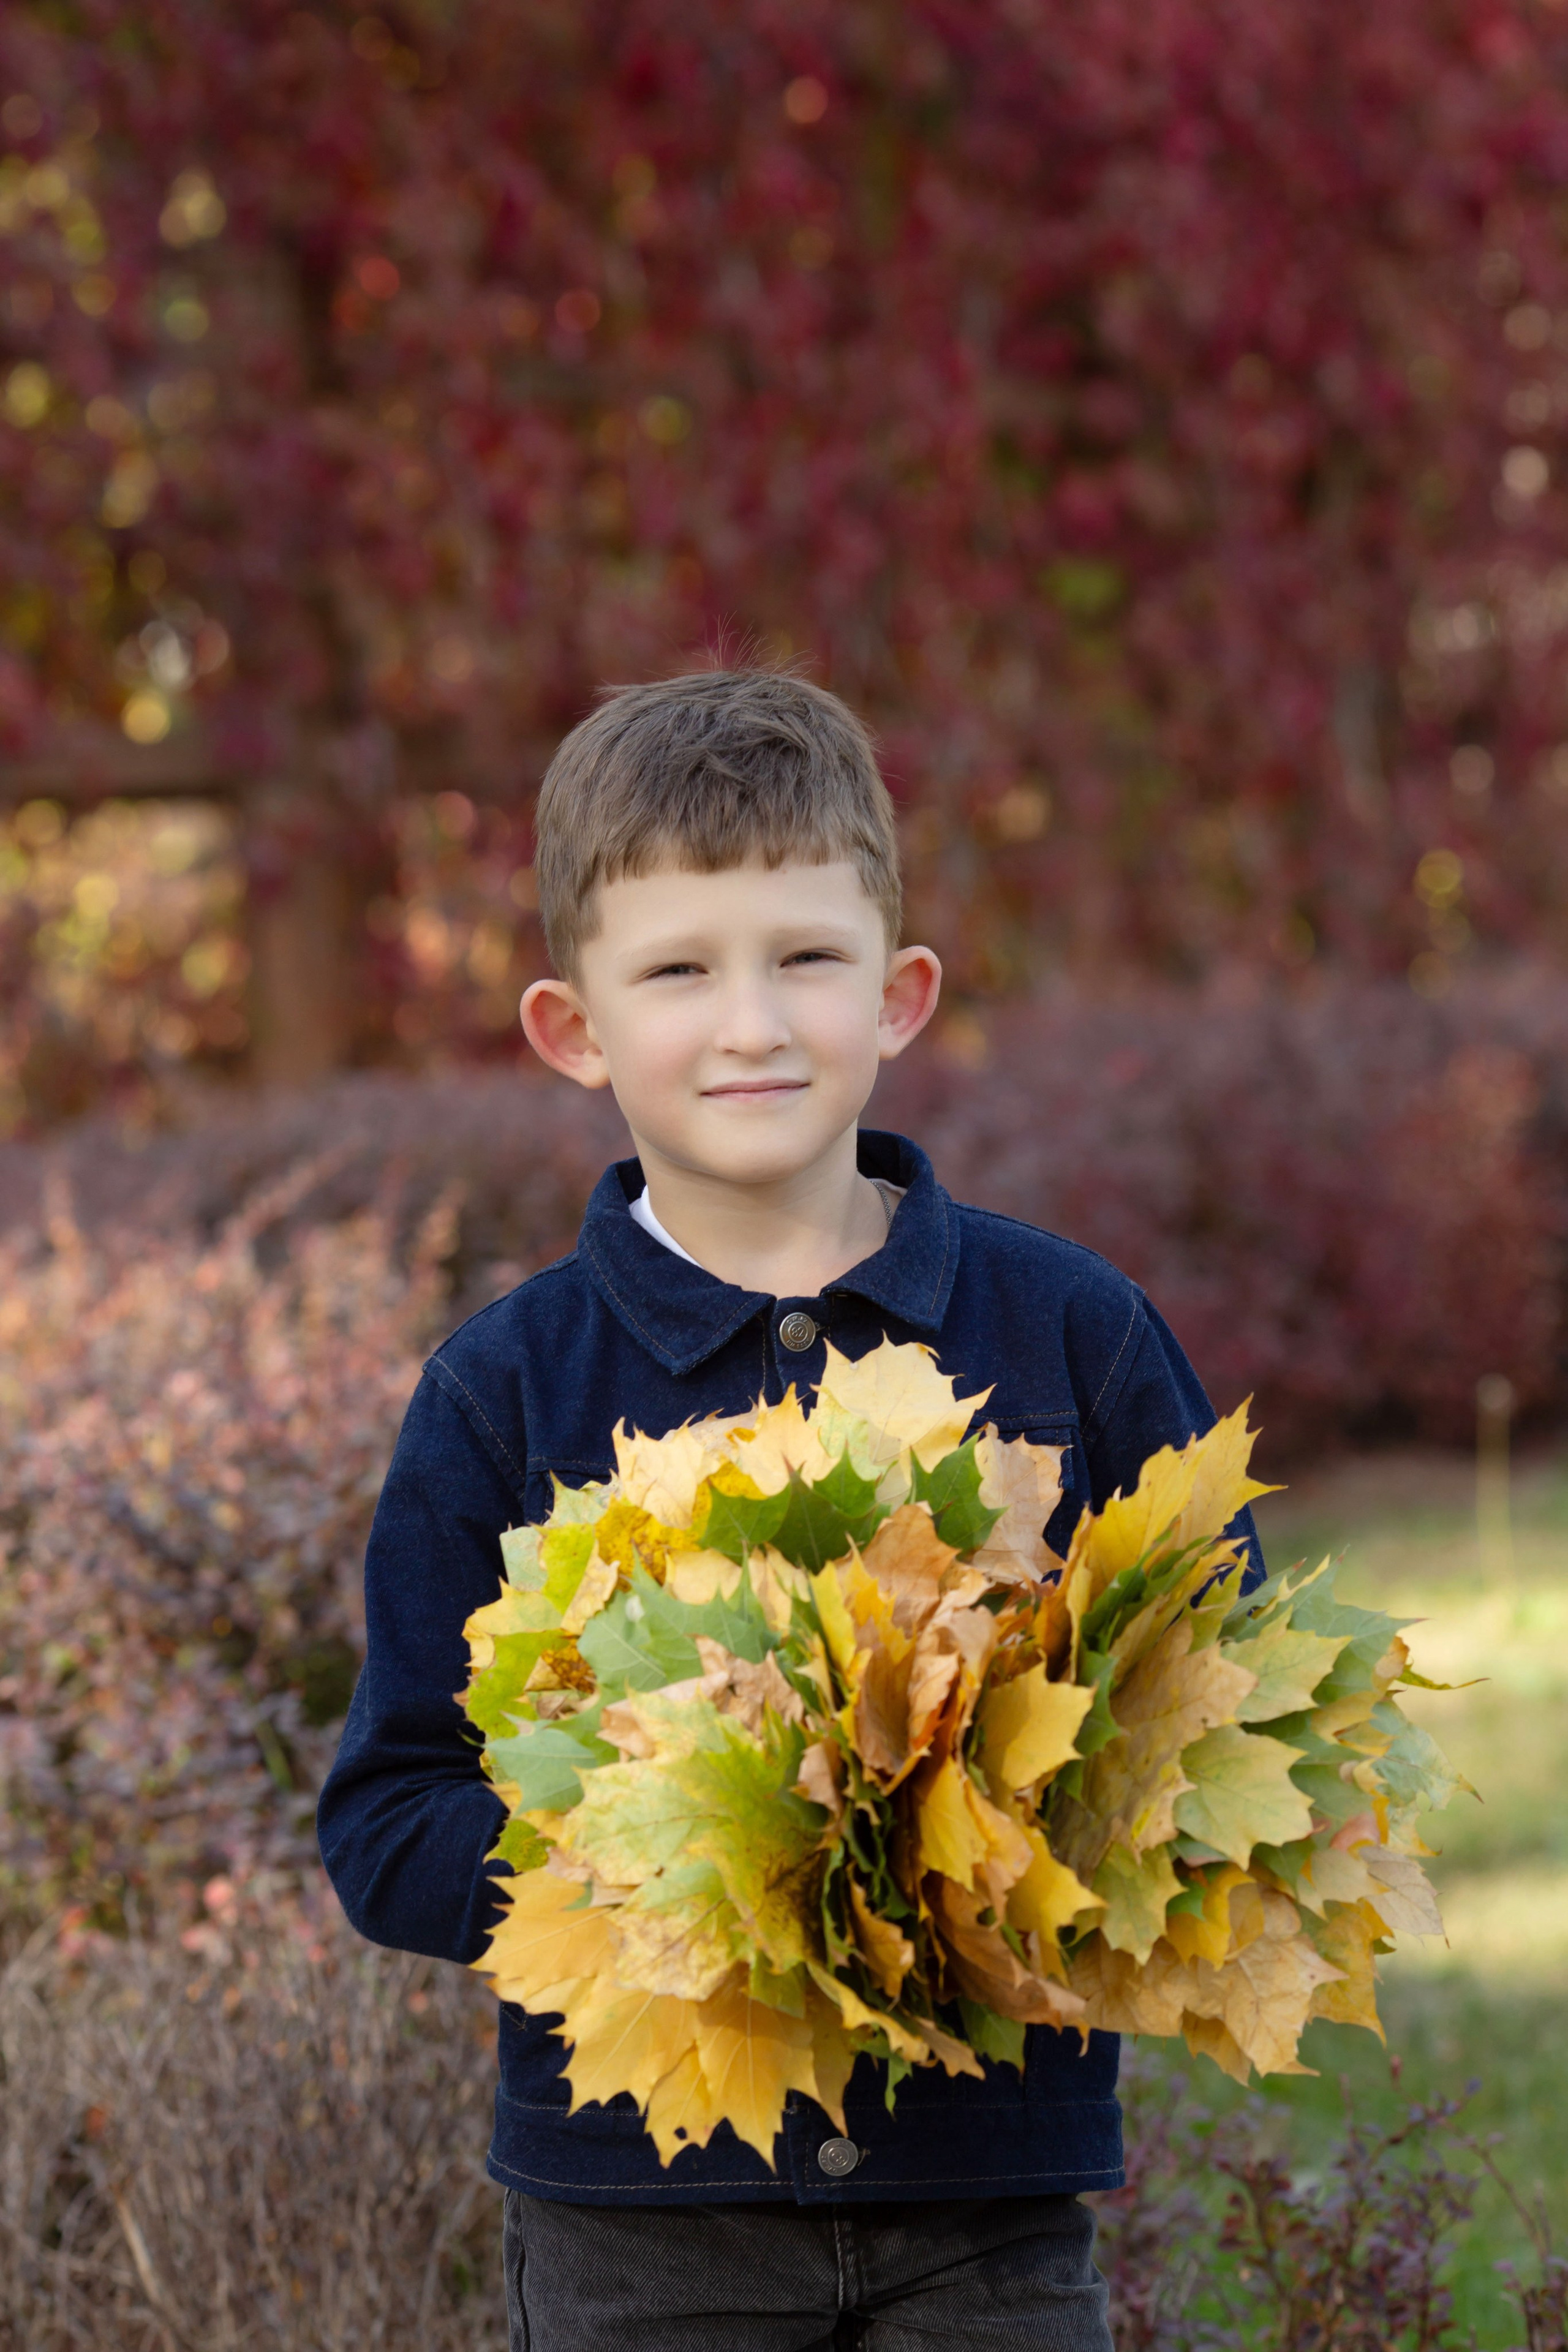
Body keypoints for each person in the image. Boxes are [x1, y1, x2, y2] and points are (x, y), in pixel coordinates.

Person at [317, 668, 1262, 2352]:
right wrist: (674, 1856)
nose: (750, 1023)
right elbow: (390, 1821)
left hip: (987, 2209)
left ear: (899, 995)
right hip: (640, 2227)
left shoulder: (1070, 1335)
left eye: (805, 959)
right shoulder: (505, 1391)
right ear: (574, 1030)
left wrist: (1004, 1831)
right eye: (679, 971)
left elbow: (1219, 1701)